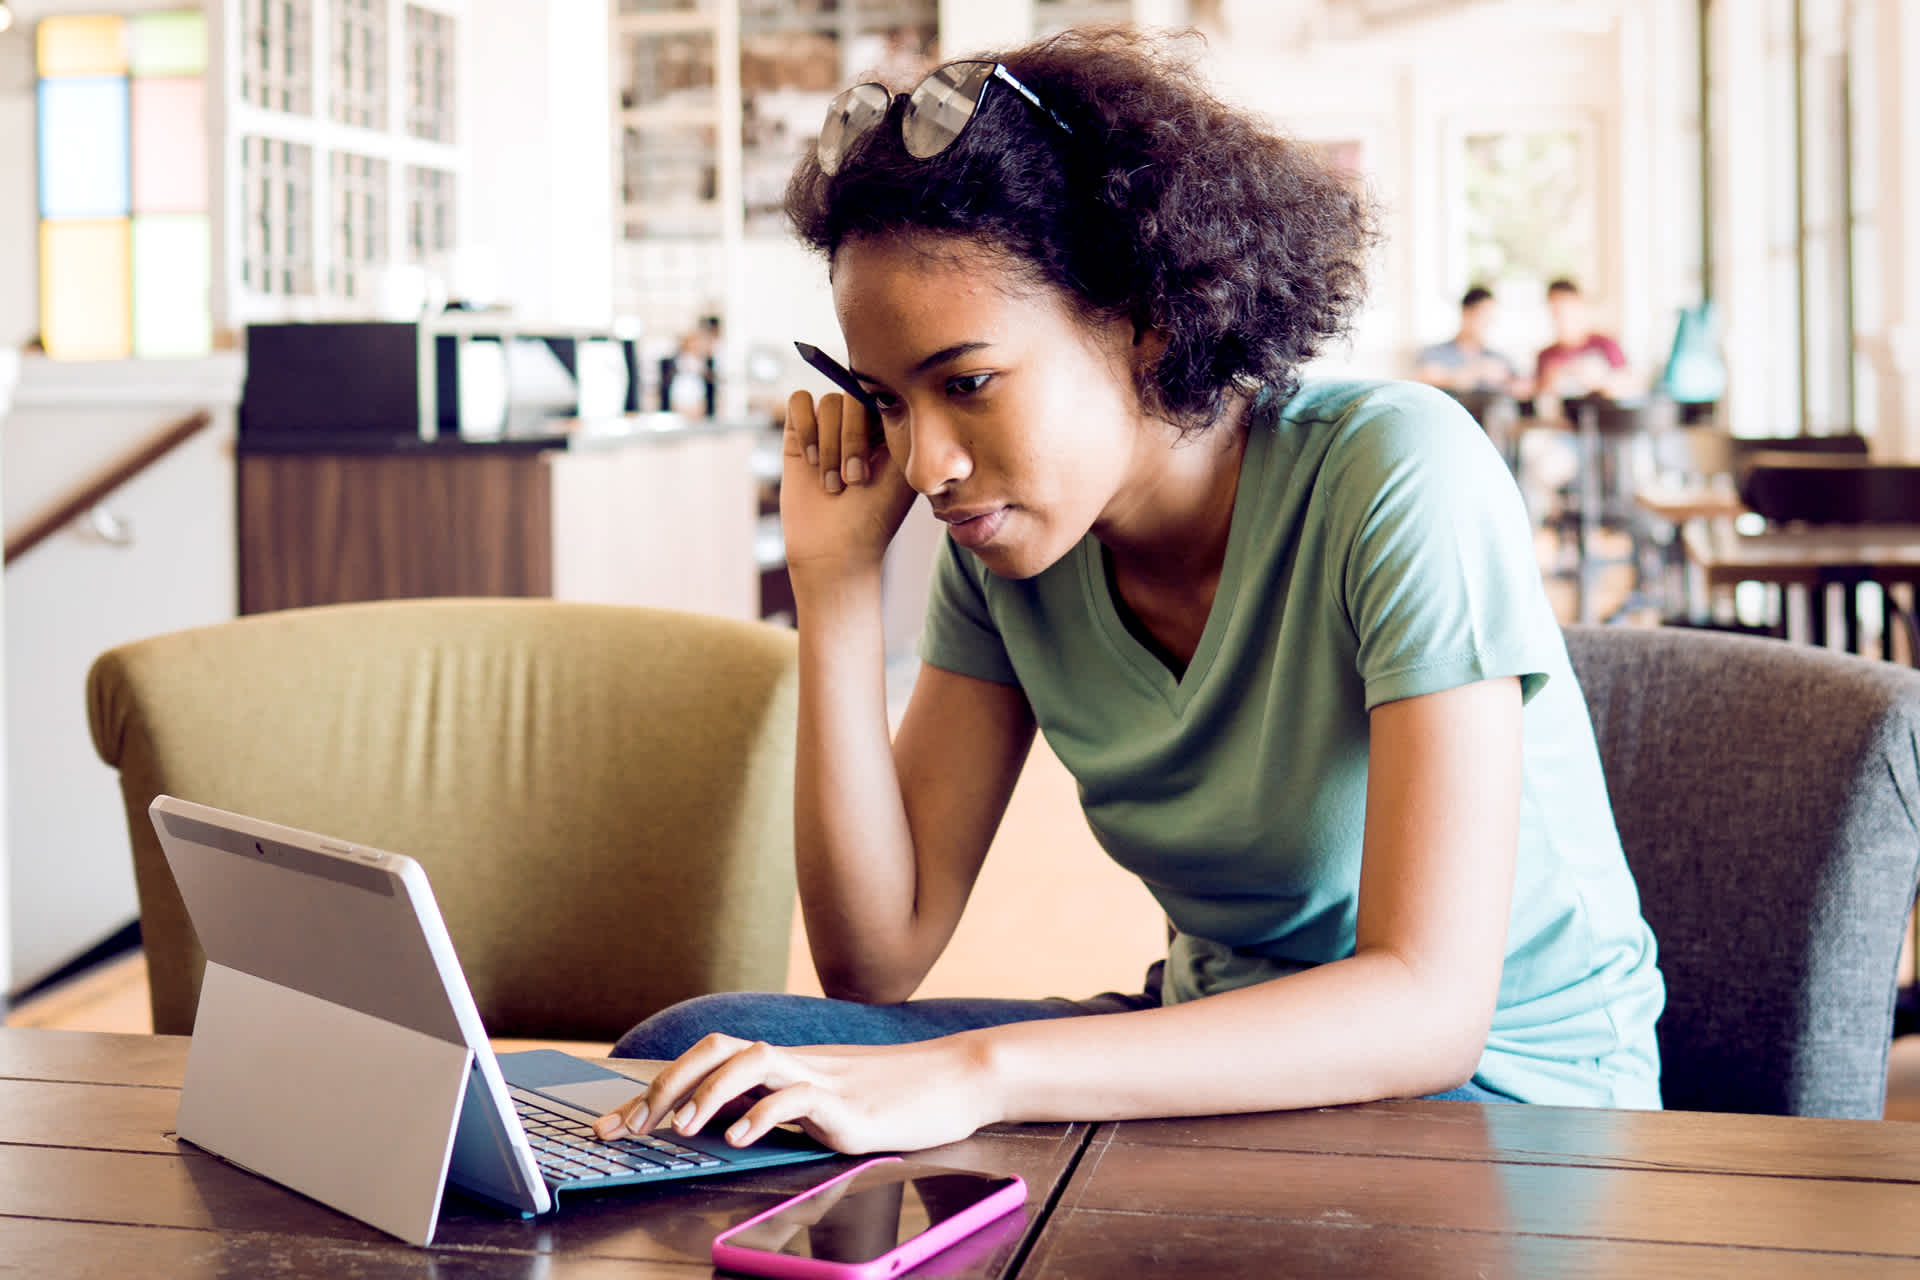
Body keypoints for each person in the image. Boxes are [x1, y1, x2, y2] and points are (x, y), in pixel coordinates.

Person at [593, 27, 1664, 1158]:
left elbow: (1427, 1010)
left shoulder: (1397, 473)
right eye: (891, 402)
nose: (928, 464)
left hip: (1512, 1104)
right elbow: (878, 954)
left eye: (968, 383)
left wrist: (979, 1073)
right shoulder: (1006, 550)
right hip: (1216, 1050)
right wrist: (838, 585)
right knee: (708, 1056)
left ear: (1147, 321)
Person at [1532, 278, 1634, 405]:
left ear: (1580, 307)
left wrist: (1601, 380)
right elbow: (1537, 397)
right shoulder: (1545, 356)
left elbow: (1633, 386)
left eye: (1567, 310)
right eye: (1555, 312)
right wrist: (1545, 386)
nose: (1562, 318)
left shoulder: (1605, 344)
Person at [1415, 285, 1518, 394]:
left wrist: (1506, 380)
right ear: (1465, 313)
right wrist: (1474, 371)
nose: (1487, 324)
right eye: (1482, 317)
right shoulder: (1435, 354)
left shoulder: (1499, 358)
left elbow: (1521, 389)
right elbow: (1425, 378)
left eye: (1490, 319)